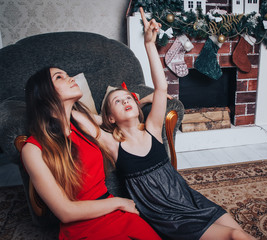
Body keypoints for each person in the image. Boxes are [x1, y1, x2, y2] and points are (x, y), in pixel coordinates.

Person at [100, 7, 256, 240]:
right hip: (166, 215)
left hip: (185, 196)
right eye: (117, 101)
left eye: (128, 98)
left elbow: (161, 87)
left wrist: (149, 44)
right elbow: (84, 119)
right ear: (110, 118)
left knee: (240, 232)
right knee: (234, 235)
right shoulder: (111, 143)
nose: (125, 101)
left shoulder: (152, 129)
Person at [21, 67, 162, 239]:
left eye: (68, 75)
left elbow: (115, 118)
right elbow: (66, 212)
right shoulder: (32, 149)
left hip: (118, 215)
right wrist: (119, 202)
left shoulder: (81, 121)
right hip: (83, 227)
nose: (71, 78)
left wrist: (143, 101)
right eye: (59, 77)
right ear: (43, 94)